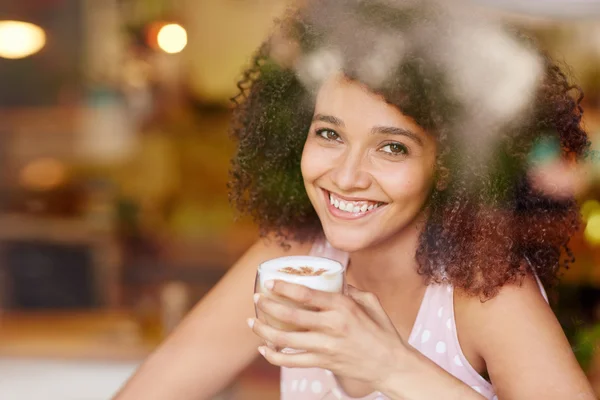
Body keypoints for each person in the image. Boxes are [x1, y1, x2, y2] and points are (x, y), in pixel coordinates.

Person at [114, 1, 596, 399]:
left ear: (447, 165)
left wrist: (390, 366)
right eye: (329, 134)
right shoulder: (292, 259)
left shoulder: (485, 292)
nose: (345, 177)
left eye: (392, 147)